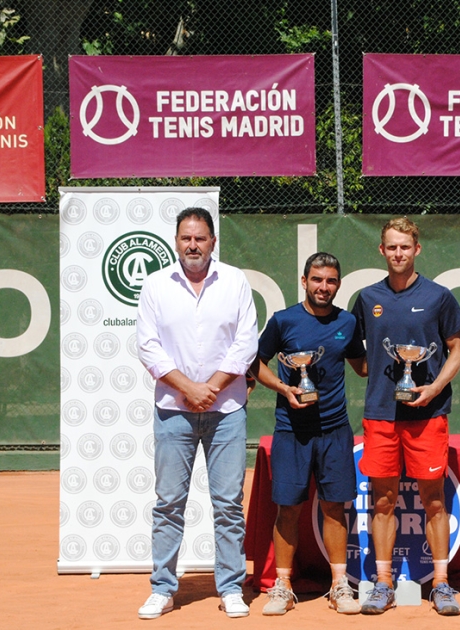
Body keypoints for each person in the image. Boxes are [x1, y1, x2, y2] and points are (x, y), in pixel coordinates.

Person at [136, 207, 258, 620]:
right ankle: (163, 588)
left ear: (213, 241)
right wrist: (189, 388)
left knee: (227, 503)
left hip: (227, 410)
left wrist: (213, 389)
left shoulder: (236, 281)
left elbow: (245, 343)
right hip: (173, 409)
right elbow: (147, 346)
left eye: (200, 238)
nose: (193, 245)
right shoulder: (155, 285)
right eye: (186, 238)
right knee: (169, 502)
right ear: (176, 241)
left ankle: (230, 586)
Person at [350, 218, 460, 616]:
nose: (398, 253)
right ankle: (383, 584)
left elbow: (457, 350)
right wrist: (377, 371)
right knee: (382, 500)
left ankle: (440, 584)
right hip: (381, 414)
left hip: (428, 415)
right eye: (391, 247)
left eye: (405, 247)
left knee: (433, 501)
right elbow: (356, 353)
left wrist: (433, 388)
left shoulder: (439, 296)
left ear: (417, 250)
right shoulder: (367, 297)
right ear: (381, 251)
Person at [252, 252, 367, 616]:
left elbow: (361, 367)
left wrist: (396, 354)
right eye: (317, 279)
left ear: (338, 284)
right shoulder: (283, 321)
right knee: (288, 508)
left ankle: (339, 586)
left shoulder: (347, 322)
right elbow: (255, 363)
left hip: (335, 430)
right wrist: (284, 390)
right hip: (291, 431)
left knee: (335, 507)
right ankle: (283, 587)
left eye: (331, 280)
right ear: (304, 281)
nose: (324, 286)